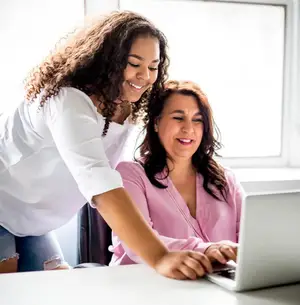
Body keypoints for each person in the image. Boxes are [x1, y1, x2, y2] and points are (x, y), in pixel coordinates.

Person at [0, 11, 213, 279]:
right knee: (9, 288)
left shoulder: (127, 106)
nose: (144, 76)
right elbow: (99, 181)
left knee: (55, 288)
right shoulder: (68, 101)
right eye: (134, 63)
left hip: (35, 222)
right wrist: (160, 257)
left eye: (153, 66)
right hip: (3, 208)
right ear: (107, 60)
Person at [110, 80, 244, 272]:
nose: (188, 129)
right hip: (144, 286)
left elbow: (249, 239)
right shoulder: (131, 175)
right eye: (178, 118)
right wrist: (207, 250)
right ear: (156, 123)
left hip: (214, 288)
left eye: (197, 120)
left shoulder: (226, 180)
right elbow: (136, 247)